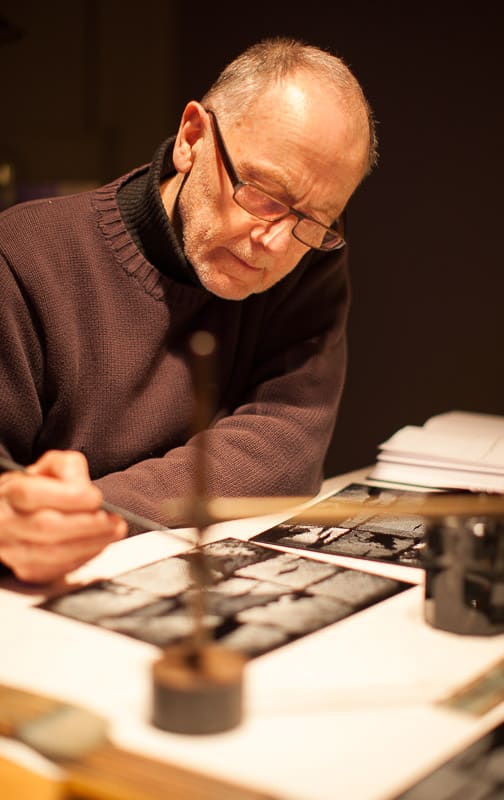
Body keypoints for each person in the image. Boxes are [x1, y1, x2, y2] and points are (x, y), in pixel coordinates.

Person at [0, 38, 378, 583]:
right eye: (263, 194)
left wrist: (93, 512)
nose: (275, 243)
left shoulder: (309, 255)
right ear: (191, 138)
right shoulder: (24, 256)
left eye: (316, 218)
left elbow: (286, 448)